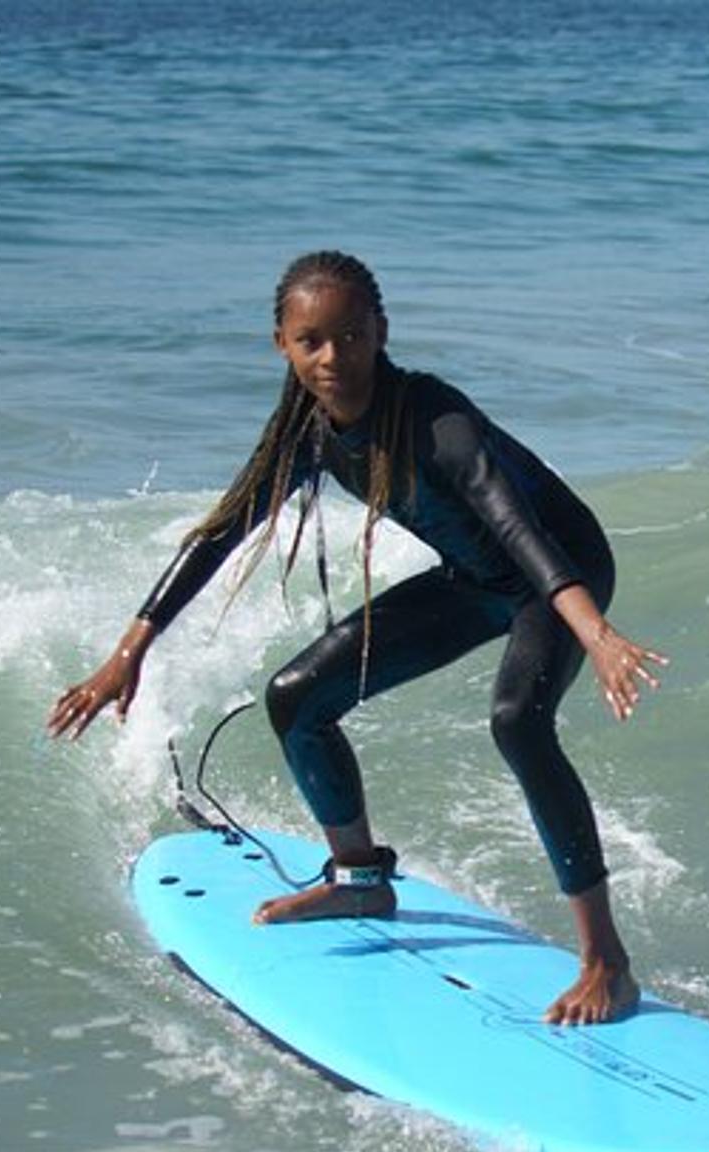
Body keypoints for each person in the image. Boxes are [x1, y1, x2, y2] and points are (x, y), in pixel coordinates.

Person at [47, 250, 665, 1026]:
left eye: (351, 336)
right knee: (297, 698)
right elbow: (217, 537)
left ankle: (607, 960)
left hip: (560, 570)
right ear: (282, 344)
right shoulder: (305, 433)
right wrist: (126, 654)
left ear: (381, 332)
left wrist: (597, 633)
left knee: (518, 720)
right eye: (313, 341)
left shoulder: (438, 421)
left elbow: (517, 525)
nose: (333, 357)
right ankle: (360, 878)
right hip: (477, 577)